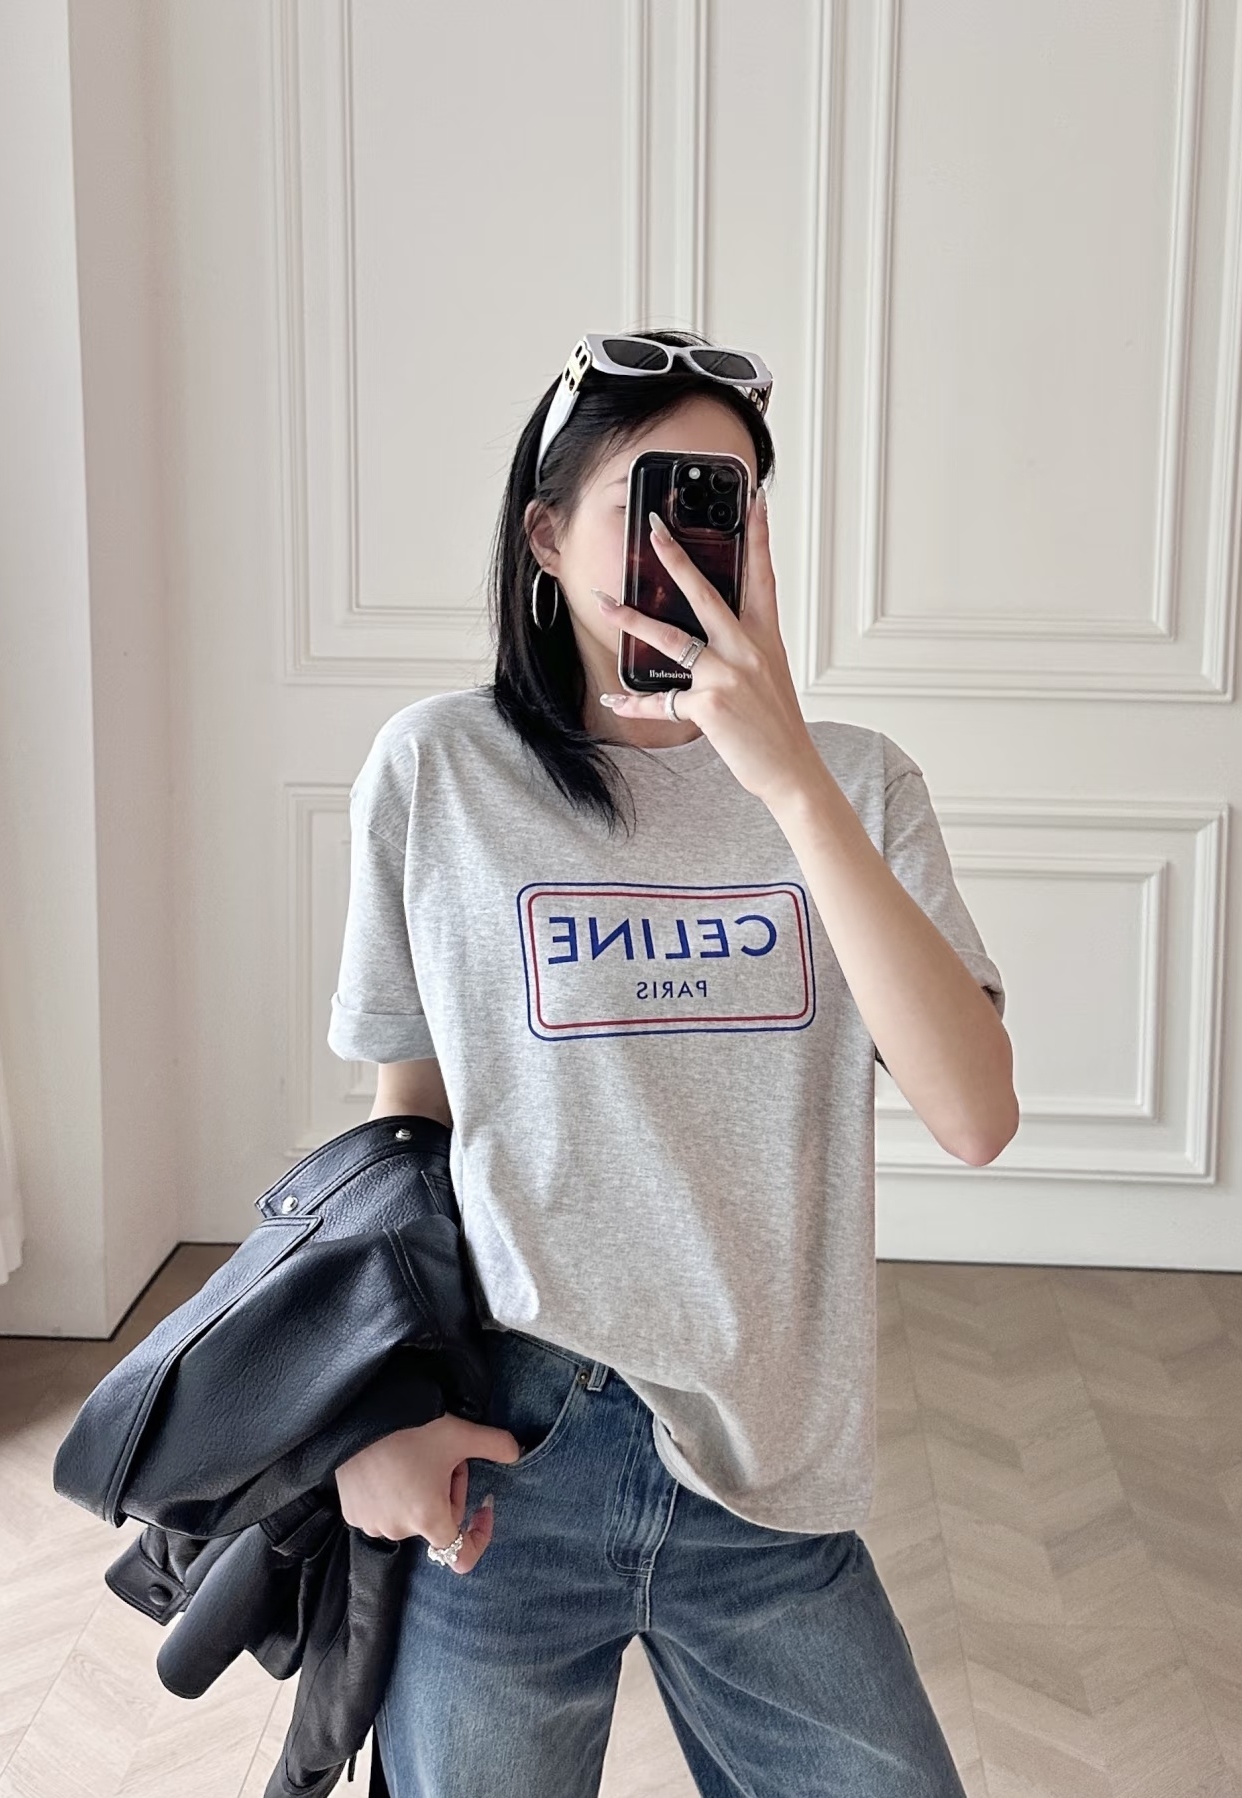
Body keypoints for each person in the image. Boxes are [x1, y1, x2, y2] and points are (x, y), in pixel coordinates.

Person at [327, 328, 1016, 1796]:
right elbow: (402, 1135)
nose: (687, 547)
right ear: (545, 536)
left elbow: (975, 1112)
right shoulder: (438, 769)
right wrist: (377, 1417)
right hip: (506, 1459)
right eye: (651, 503)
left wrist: (787, 777)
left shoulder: (859, 783)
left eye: (725, 506)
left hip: (769, 1468)